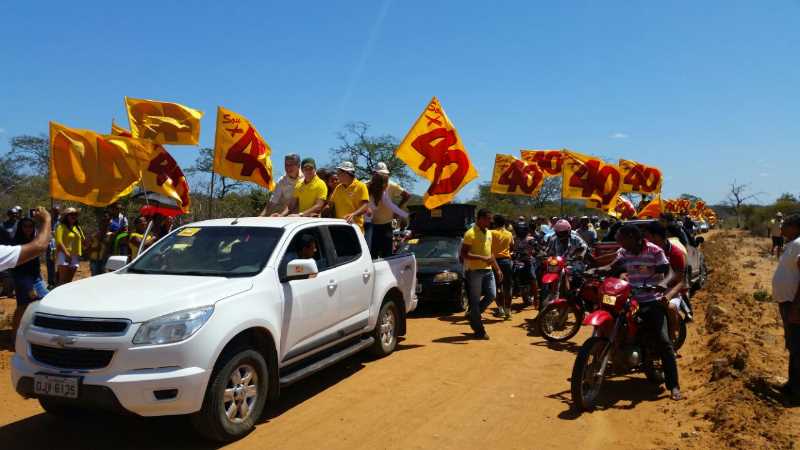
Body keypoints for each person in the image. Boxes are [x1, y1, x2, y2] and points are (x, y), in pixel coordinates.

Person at [609, 224, 682, 401]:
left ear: (634, 238)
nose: (619, 242)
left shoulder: (655, 251)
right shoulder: (624, 252)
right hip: (630, 298)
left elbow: (670, 272)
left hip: (651, 299)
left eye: (622, 238)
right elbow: (614, 265)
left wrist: (663, 284)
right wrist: (596, 270)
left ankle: (673, 386)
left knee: (663, 341)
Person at [645, 221, 690, 340]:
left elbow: (681, 281)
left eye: (647, 236)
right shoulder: (645, 251)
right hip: (647, 290)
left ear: (657, 236)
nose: (646, 240)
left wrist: (668, 296)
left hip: (670, 290)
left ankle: (671, 339)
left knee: (670, 308)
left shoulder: (676, 254)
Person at [460, 209, 502, 340]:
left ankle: (474, 314)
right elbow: (464, 254)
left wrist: (498, 269)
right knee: (474, 300)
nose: (491, 221)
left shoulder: (489, 233)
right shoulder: (470, 233)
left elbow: (490, 253)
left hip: (488, 270)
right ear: (480, 219)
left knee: (491, 295)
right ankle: (479, 330)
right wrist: (481, 258)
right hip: (474, 272)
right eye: (489, 219)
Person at [772, 213, 800, 403]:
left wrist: (797, 307)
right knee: (793, 345)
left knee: (798, 346)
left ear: (795, 227)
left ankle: (797, 391)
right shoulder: (791, 244)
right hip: (788, 302)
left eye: (785, 224)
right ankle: (792, 384)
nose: (781, 228)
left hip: (794, 304)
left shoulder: (799, 245)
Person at [10, 217, 49, 338]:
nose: (28, 229)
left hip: (36, 277)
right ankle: (15, 335)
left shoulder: (34, 240)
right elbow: (17, 268)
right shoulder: (17, 242)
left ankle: (34, 330)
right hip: (22, 278)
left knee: (44, 300)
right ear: (21, 228)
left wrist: (40, 276)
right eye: (25, 226)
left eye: (30, 226)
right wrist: (29, 287)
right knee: (23, 306)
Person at [368, 163, 411, 258]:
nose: (381, 177)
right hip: (370, 224)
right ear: (373, 174)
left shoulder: (391, 185)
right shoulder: (366, 185)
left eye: (384, 175)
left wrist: (398, 210)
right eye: (378, 174)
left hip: (387, 224)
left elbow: (407, 195)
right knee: (371, 253)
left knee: (387, 254)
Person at [326, 161, 370, 231]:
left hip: (355, 228)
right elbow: (330, 205)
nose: (337, 176)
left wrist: (353, 214)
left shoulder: (361, 186)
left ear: (347, 174)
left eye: (339, 173)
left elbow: (365, 206)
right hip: (340, 227)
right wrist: (320, 212)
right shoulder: (338, 188)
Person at [513, 221, 542, 308]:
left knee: (532, 277)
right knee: (511, 274)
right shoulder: (515, 239)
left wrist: (536, 252)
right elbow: (510, 248)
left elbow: (537, 249)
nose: (520, 231)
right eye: (519, 230)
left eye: (522, 230)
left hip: (528, 261)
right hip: (517, 261)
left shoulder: (530, 239)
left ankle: (536, 298)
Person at [490, 215, 514, 320]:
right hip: (507, 261)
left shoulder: (491, 233)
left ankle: (501, 311)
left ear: (495, 223)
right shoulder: (509, 234)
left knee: (497, 287)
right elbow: (512, 246)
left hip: (494, 262)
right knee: (507, 287)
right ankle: (508, 312)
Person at [55, 207, 85, 285]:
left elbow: (83, 240)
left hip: (75, 255)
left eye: (75, 214)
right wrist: (66, 254)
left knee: (69, 281)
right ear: (66, 216)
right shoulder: (61, 227)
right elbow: (59, 241)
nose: (74, 216)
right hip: (64, 254)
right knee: (63, 280)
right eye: (71, 214)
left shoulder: (78, 228)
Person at [87, 212, 113, 276]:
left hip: (105, 261)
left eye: (107, 221)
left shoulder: (111, 235)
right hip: (94, 261)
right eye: (104, 221)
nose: (105, 223)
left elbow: (111, 249)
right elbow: (87, 250)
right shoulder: (94, 236)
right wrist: (94, 249)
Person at [45, 204, 60, 288]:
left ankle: (58, 281)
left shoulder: (61, 220)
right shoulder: (48, 221)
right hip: (49, 245)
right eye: (54, 211)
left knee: (59, 264)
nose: (56, 213)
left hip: (59, 245)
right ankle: (51, 282)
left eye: (57, 211)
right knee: (50, 263)